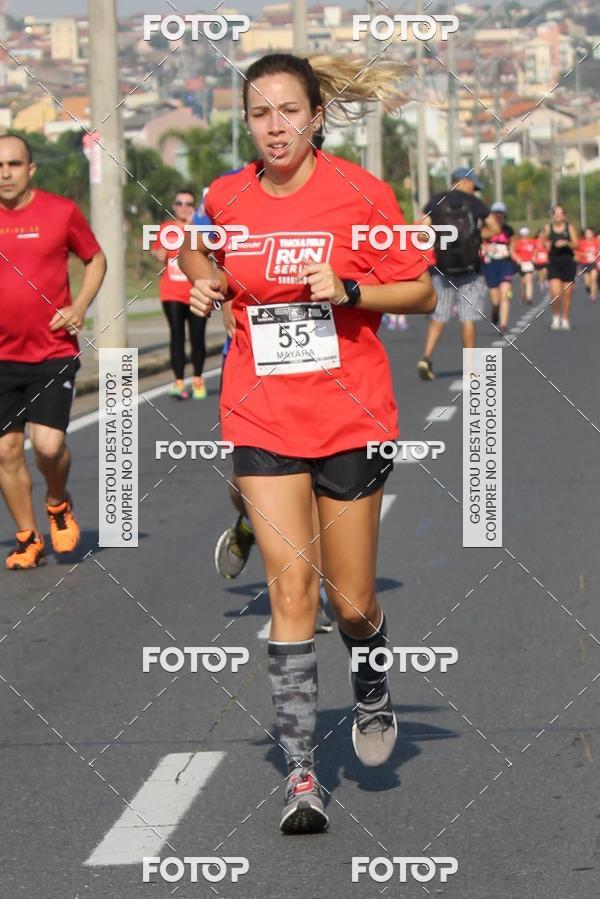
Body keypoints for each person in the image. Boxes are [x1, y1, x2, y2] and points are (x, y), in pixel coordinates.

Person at [180, 52, 436, 834]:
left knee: (349, 602)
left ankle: (371, 680)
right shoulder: (226, 195)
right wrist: (203, 277)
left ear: (317, 117)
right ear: (246, 122)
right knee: (291, 593)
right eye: (260, 113)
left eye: (289, 111)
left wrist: (352, 289)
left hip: (352, 416)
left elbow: (422, 290)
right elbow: (194, 246)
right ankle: (301, 772)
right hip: (260, 413)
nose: (276, 126)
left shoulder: (362, 193)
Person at [0, 134, 106, 568]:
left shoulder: (60, 212)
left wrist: (79, 306)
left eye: (13, 164)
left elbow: (95, 258)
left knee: (47, 445)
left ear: (31, 169)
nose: (5, 173)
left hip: (51, 350)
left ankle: (58, 502)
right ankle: (28, 538)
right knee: (6, 451)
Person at [417, 167, 499, 381]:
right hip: (470, 269)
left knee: (439, 315)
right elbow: (495, 227)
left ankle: (426, 357)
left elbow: (422, 233)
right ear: (463, 182)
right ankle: (470, 367)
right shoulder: (474, 203)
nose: (475, 190)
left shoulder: (436, 201)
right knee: (468, 317)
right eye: (473, 186)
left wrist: (440, 240)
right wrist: (476, 237)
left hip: (443, 269)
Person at [151, 188, 207, 399]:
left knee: (197, 336)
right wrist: (158, 254)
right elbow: (157, 251)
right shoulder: (166, 228)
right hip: (172, 292)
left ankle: (198, 379)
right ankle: (179, 381)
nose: (184, 207)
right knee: (177, 334)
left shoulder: (202, 227)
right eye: (179, 203)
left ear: (195, 207)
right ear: (174, 206)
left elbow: (212, 252)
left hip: (198, 290)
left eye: (189, 204)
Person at [480, 201, 515, 332]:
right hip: (490, 265)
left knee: (505, 294)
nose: (498, 216)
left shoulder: (508, 230)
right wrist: (484, 248)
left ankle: (503, 325)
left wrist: (518, 260)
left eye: (501, 213)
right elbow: (478, 244)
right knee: (495, 300)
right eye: (495, 213)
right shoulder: (485, 229)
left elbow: (512, 248)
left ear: (504, 215)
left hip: (505, 264)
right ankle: (495, 311)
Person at [543, 205, 578, 330]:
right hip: (554, 263)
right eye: (555, 213)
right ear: (552, 215)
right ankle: (555, 316)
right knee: (555, 292)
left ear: (564, 215)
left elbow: (576, 244)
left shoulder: (570, 227)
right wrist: (547, 244)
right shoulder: (548, 227)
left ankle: (565, 318)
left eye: (560, 213)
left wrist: (566, 243)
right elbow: (543, 241)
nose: (557, 215)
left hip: (568, 262)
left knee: (567, 293)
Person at [513, 226, 537, 304]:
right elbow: (514, 252)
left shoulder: (532, 242)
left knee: (529, 280)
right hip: (521, 264)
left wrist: (534, 256)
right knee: (523, 281)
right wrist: (517, 259)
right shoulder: (518, 243)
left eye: (526, 234)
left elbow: (535, 250)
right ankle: (523, 293)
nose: (525, 235)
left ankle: (529, 297)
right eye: (523, 234)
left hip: (529, 262)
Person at [577, 227, 599, 302]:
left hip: (594, 263)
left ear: (593, 233)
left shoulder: (596, 241)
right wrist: (583, 254)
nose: (588, 234)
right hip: (584, 263)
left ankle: (593, 295)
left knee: (594, 278)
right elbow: (577, 252)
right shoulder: (581, 242)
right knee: (587, 283)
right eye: (587, 233)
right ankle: (588, 289)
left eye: (589, 233)